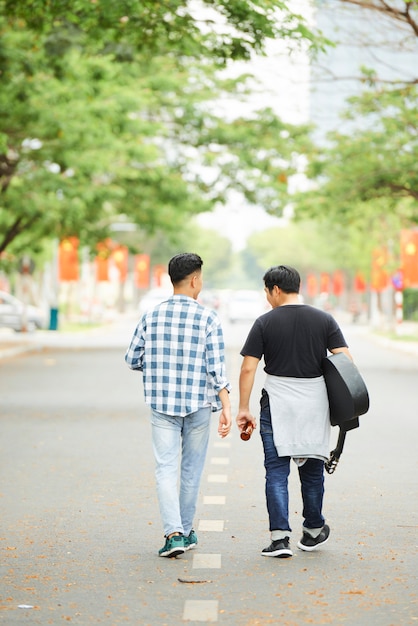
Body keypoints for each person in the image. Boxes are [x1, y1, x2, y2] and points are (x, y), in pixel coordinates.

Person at [236, 265, 352, 558]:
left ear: (275, 289)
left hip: (276, 402)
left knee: (276, 470)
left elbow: (249, 367)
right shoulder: (324, 319)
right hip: (314, 403)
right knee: (312, 471)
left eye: (266, 291)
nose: (267, 298)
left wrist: (243, 408)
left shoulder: (264, 322)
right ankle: (313, 531)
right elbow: (345, 362)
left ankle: (279, 539)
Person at [125, 253, 232, 558]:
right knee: (191, 470)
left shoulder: (151, 316)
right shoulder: (208, 318)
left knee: (165, 468)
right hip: (198, 405)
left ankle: (174, 534)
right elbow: (215, 369)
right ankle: (184, 531)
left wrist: (157, 367)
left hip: (162, 404)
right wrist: (226, 405)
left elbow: (132, 358)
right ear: (195, 280)